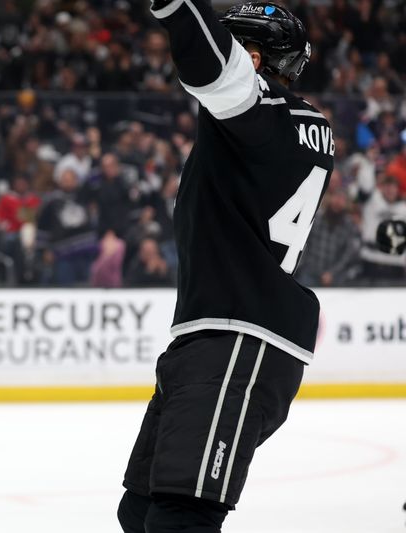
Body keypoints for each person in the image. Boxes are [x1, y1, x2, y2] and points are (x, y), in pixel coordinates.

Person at [117, 3, 333, 532]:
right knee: (141, 510)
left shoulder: (259, 114)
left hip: (240, 338)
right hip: (217, 335)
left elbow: (207, 63)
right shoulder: (295, 124)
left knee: (181, 517)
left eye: (237, 49)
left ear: (254, 58)